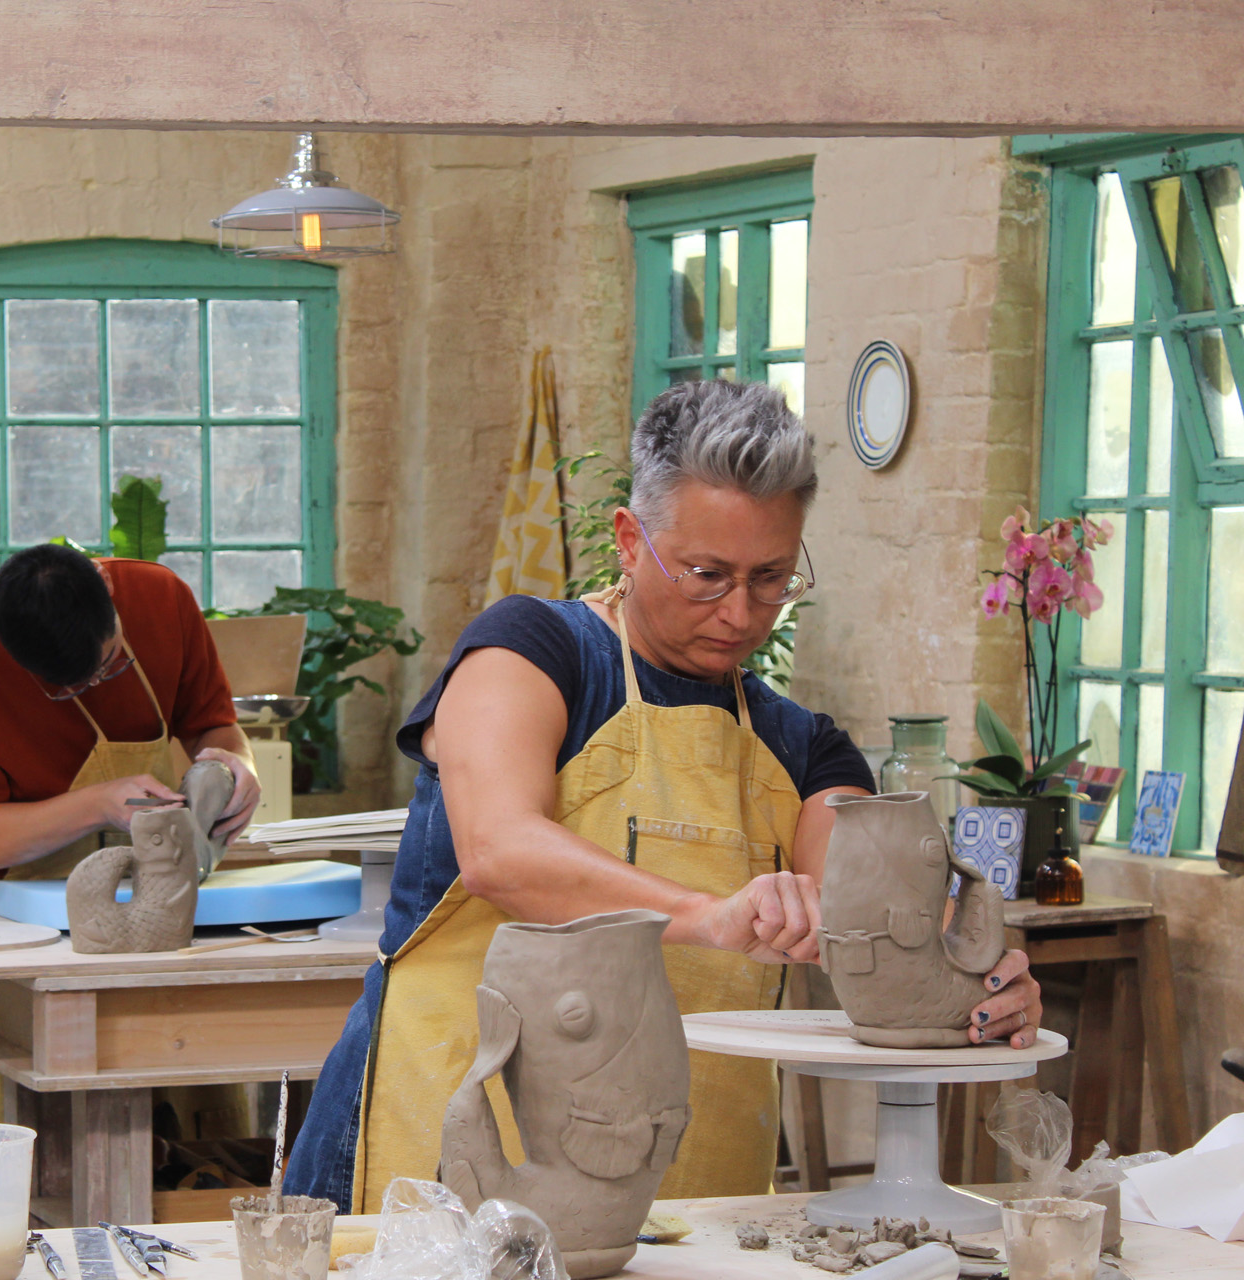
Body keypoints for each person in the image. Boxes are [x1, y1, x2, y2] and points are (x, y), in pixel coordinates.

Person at [285, 379, 1044, 1212]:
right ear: (628, 538)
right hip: (453, 1152)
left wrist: (979, 983)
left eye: (772, 579)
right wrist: (711, 918)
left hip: (692, 1190)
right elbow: (501, 848)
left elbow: (881, 920)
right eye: (706, 574)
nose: (740, 612)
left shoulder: (803, 747)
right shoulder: (532, 652)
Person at [0, 544, 261, 909]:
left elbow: (212, 726)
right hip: (28, 914)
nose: (95, 684)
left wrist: (238, 764)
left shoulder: (161, 598)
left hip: (167, 900)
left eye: (109, 661)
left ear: (107, 583)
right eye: (63, 687)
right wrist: (99, 805)